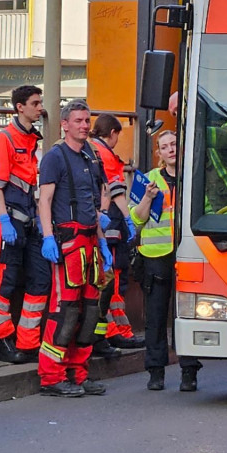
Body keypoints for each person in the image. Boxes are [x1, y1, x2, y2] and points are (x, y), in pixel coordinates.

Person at [37, 99, 113, 398]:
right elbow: (44, 201)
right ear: (65, 124)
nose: (84, 126)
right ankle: (51, 376)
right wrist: (47, 237)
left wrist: (102, 242)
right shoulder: (54, 158)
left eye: (86, 120)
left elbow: (93, 206)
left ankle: (78, 373)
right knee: (65, 310)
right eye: (79, 121)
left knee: (89, 311)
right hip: (69, 242)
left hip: (90, 242)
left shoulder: (90, 157)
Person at [132, 130, 202, 392]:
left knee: (188, 313)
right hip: (156, 256)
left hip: (187, 252)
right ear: (159, 153)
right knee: (156, 316)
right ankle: (156, 371)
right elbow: (136, 219)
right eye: (165, 146)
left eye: (174, 144)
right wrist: (148, 198)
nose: (170, 149)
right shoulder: (147, 179)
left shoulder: (193, 176)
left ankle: (189, 371)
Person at [0, 85, 47, 364]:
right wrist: (4, 220)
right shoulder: (4, 138)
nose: (40, 108)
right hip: (9, 219)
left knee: (40, 279)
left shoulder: (31, 139)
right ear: (20, 107)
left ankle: (28, 342)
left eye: (40, 102)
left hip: (28, 220)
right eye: (35, 103)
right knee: (6, 279)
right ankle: (2, 341)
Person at [89, 114, 143, 352]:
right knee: (113, 280)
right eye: (117, 136)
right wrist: (128, 218)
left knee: (109, 281)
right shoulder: (105, 155)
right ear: (112, 133)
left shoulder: (91, 150)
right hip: (111, 224)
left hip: (103, 223)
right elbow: (116, 191)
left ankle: (114, 331)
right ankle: (116, 332)